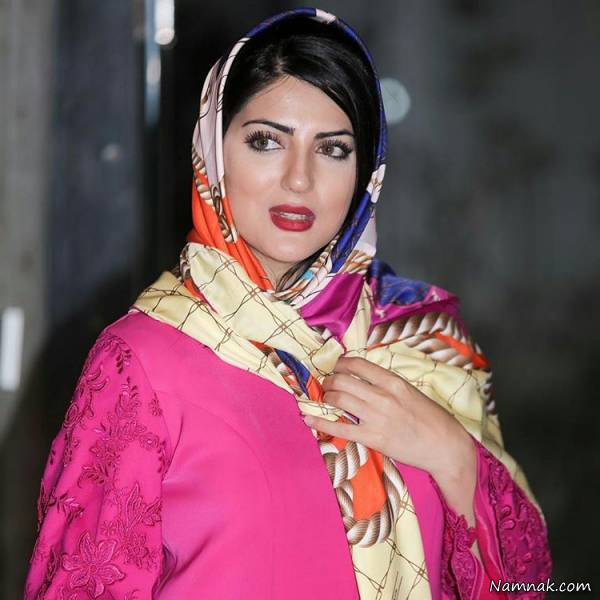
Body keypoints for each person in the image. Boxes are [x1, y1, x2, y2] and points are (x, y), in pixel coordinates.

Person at [24, 7, 552, 599]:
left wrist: (453, 456)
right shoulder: (142, 362)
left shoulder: (422, 342)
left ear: (366, 172)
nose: (299, 179)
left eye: (333, 149)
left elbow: (532, 584)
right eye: (266, 141)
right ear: (213, 151)